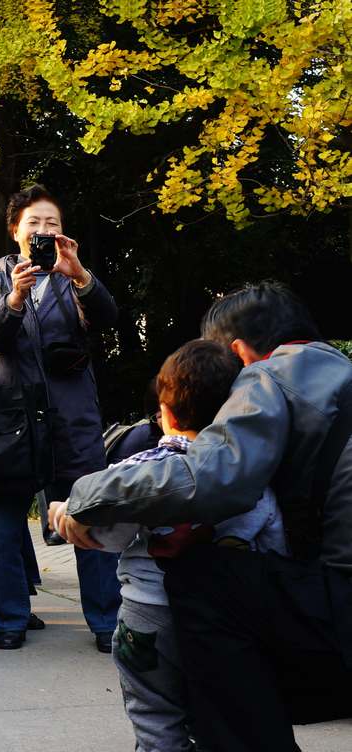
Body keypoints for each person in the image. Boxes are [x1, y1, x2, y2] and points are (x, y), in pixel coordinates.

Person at [59, 282, 352, 751]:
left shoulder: (270, 375)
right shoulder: (336, 370)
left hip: (341, 611)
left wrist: (82, 497)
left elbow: (207, 478)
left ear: (239, 354)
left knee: (202, 575)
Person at [52, 339, 287, 752]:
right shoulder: (253, 481)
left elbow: (108, 535)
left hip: (147, 616)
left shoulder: (139, 472)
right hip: (226, 622)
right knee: (218, 716)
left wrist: (65, 515)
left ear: (166, 413)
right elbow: (274, 547)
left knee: (155, 716)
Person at [0, 184, 120, 651]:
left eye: (52, 223)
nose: (43, 230)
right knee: (2, 523)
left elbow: (109, 318)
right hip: (8, 421)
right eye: (34, 223)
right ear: (15, 231)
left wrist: (82, 278)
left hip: (71, 416)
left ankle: (106, 621)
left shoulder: (74, 278)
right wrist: (13, 298)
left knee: (89, 513)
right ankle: (10, 619)